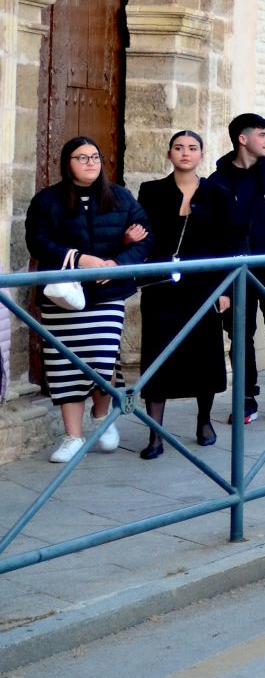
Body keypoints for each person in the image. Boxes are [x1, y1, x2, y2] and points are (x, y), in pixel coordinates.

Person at [26, 136, 149, 462]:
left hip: (107, 295)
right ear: (68, 163)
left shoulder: (121, 197)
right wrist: (79, 260)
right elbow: (38, 242)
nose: (91, 162)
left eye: (94, 157)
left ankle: (101, 417)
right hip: (63, 297)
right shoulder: (47, 201)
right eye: (82, 158)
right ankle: (72, 436)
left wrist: (117, 265)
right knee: (65, 362)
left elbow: (144, 238)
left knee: (101, 356)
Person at [134, 131, 235, 456]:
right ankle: (155, 434)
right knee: (157, 354)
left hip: (202, 285)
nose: (185, 153)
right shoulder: (151, 191)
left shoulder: (216, 192)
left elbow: (226, 246)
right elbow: (144, 236)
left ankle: (204, 420)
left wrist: (225, 289)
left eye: (192, 148)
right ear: (169, 154)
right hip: (162, 286)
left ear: (201, 155)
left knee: (203, 354)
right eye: (179, 148)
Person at [205, 113, 265, 423]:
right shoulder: (217, 181)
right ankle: (245, 397)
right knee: (240, 336)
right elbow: (211, 232)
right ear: (243, 139)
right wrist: (219, 280)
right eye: (262, 134)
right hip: (236, 274)